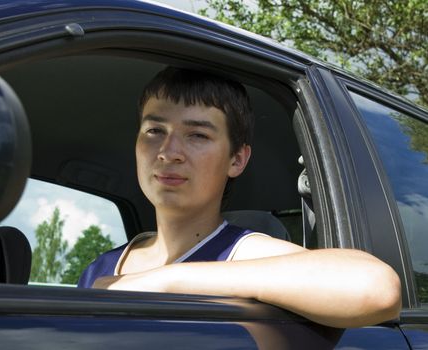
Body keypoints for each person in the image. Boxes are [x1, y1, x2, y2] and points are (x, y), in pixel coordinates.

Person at [78, 67, 401, 328]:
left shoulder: (246, 252)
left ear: (237, 160)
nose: (168, 152)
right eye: (154, 131)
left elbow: (377, 288)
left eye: (197, 135)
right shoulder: (100, 269)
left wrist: (163, 281)